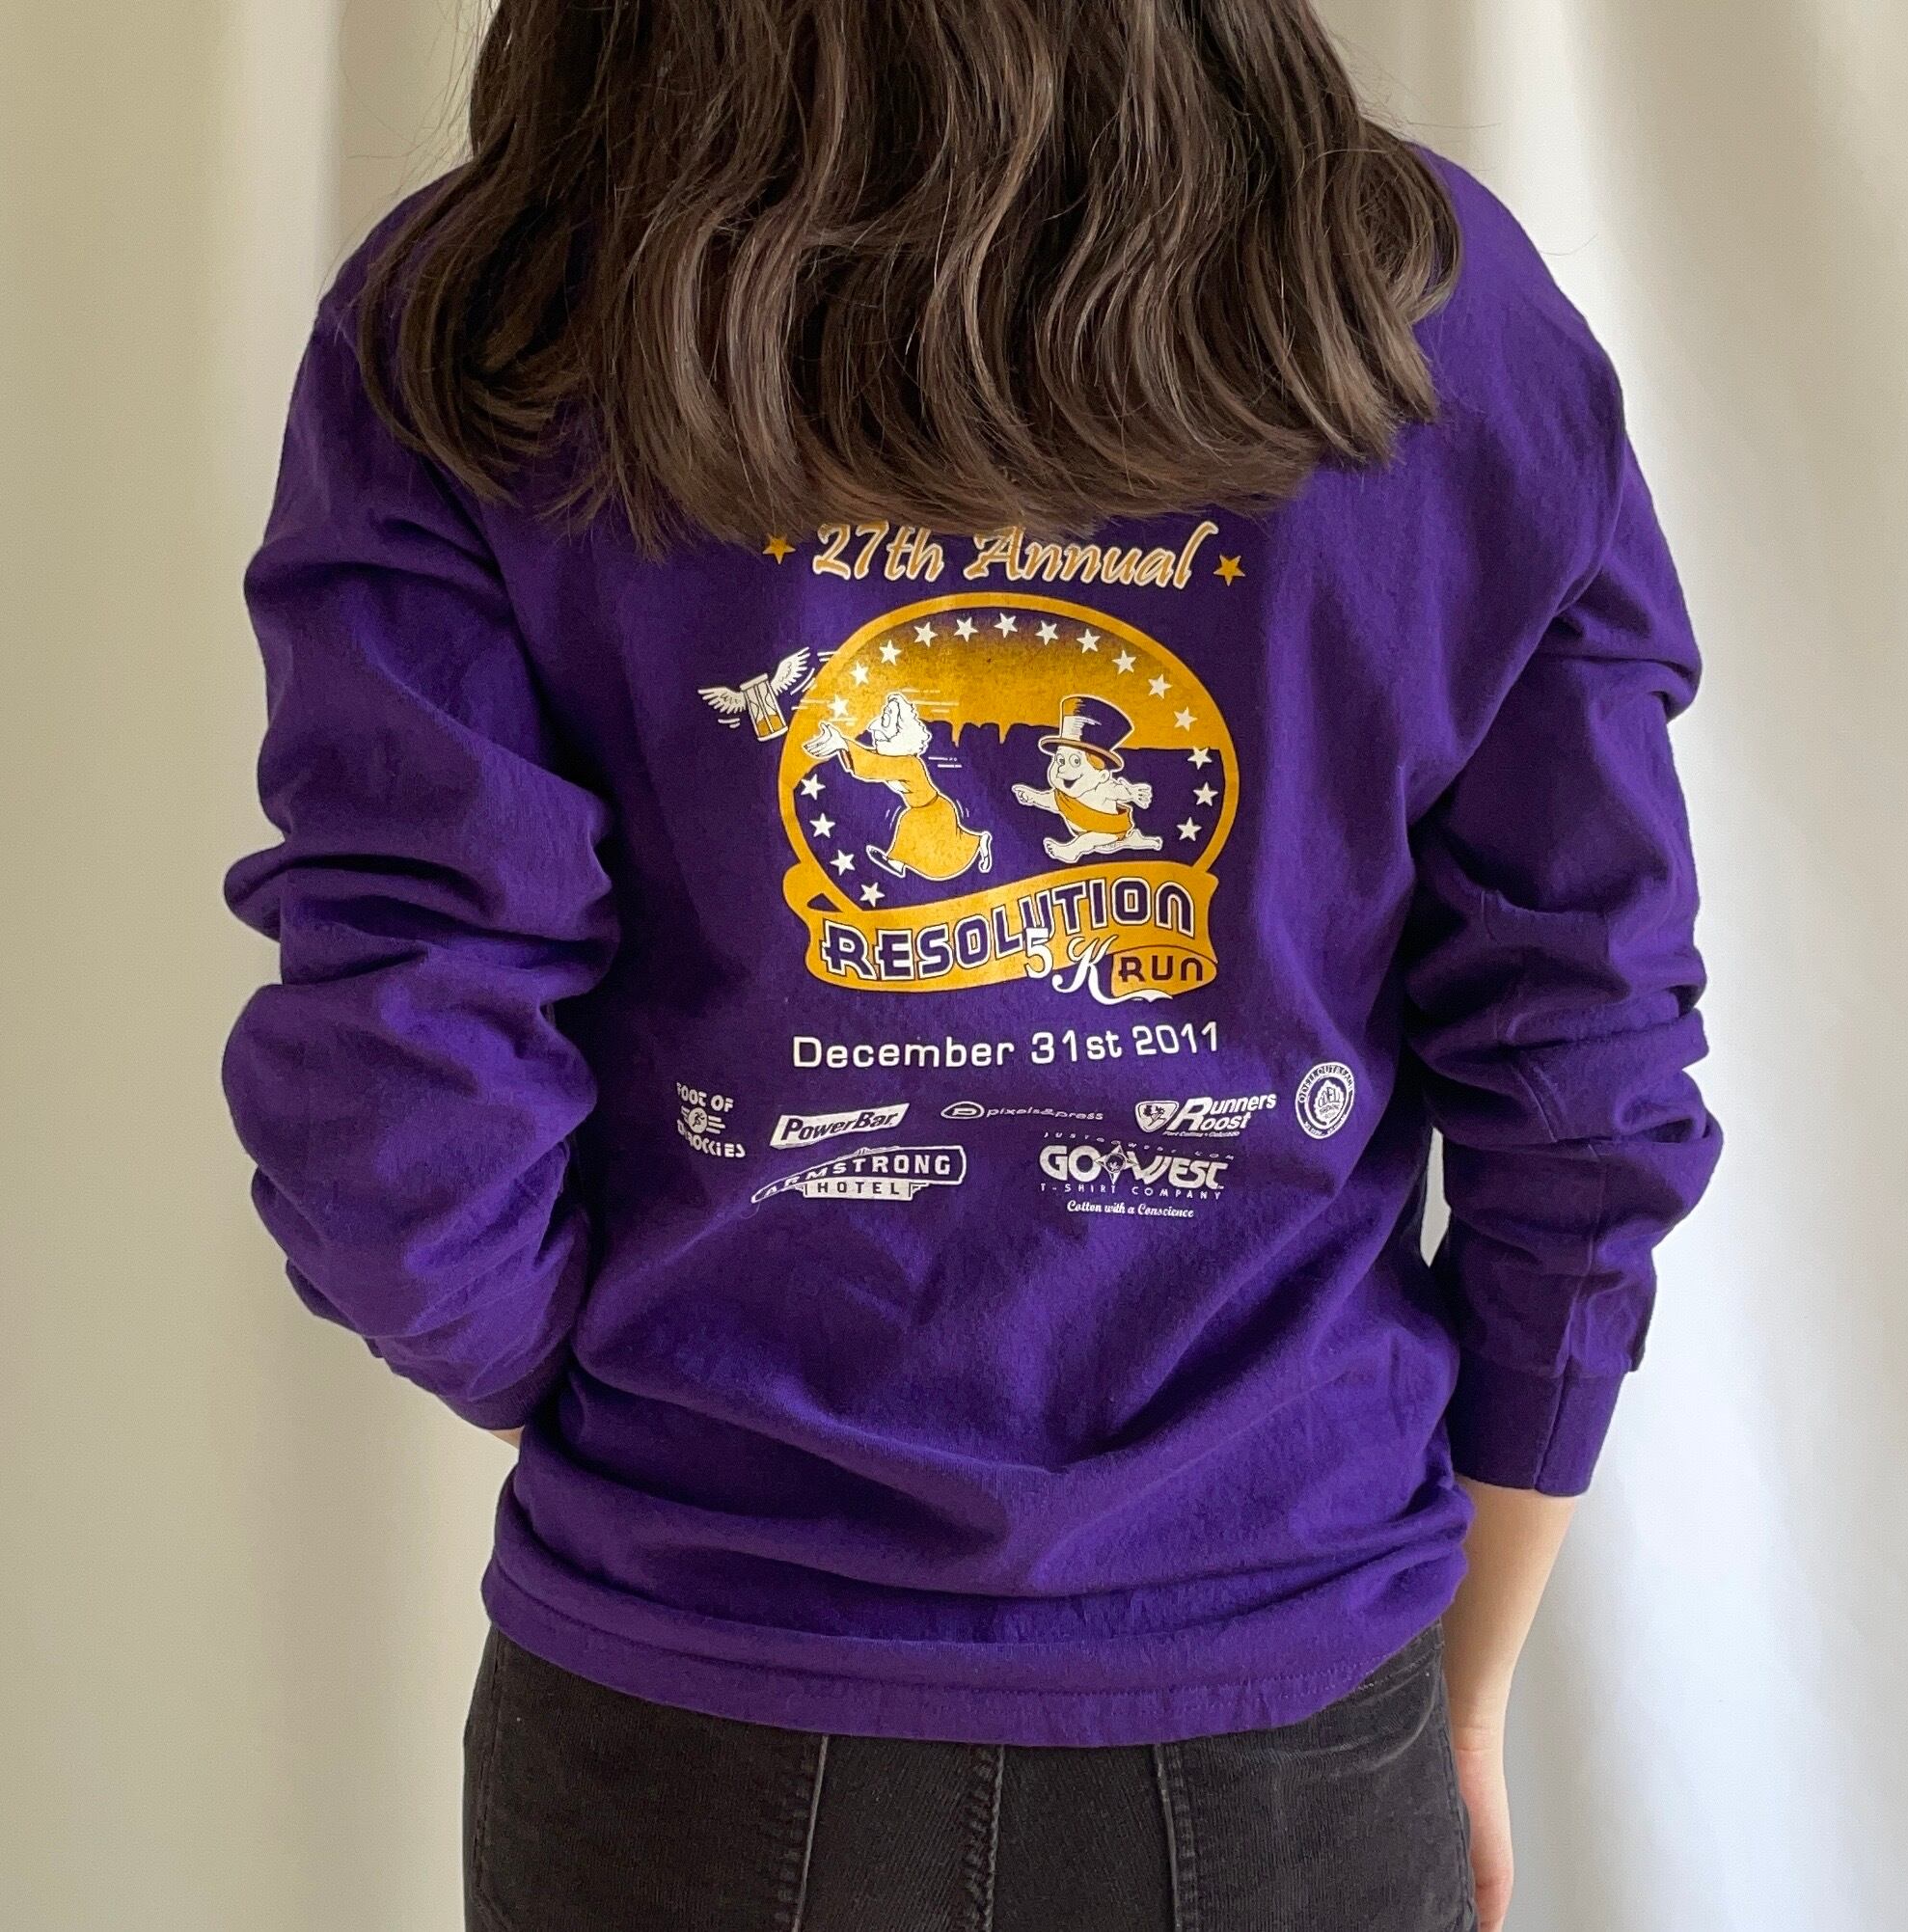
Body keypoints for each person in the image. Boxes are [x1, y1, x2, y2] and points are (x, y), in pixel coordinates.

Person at [220, 3, 1721, 1927]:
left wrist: (640, 1408)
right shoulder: (1432, 309)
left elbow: (401, 1117)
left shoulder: (492, 315)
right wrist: (1476, 1687)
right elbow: (1585, 1067)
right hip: (1286, 1710)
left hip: (684, 1718)